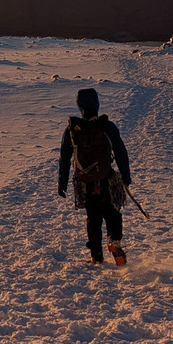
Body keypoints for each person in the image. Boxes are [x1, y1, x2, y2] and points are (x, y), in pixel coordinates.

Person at [58, 88, 132, 265]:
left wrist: (62, 183)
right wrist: (125, 176)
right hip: (107, 178)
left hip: (85, 182)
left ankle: (96, 254)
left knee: (93, 217)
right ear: (97, 104)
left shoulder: (72, 129)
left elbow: (64, 157)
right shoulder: (107, 126)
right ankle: (114, 241)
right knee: (112, 211)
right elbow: (121, 152)